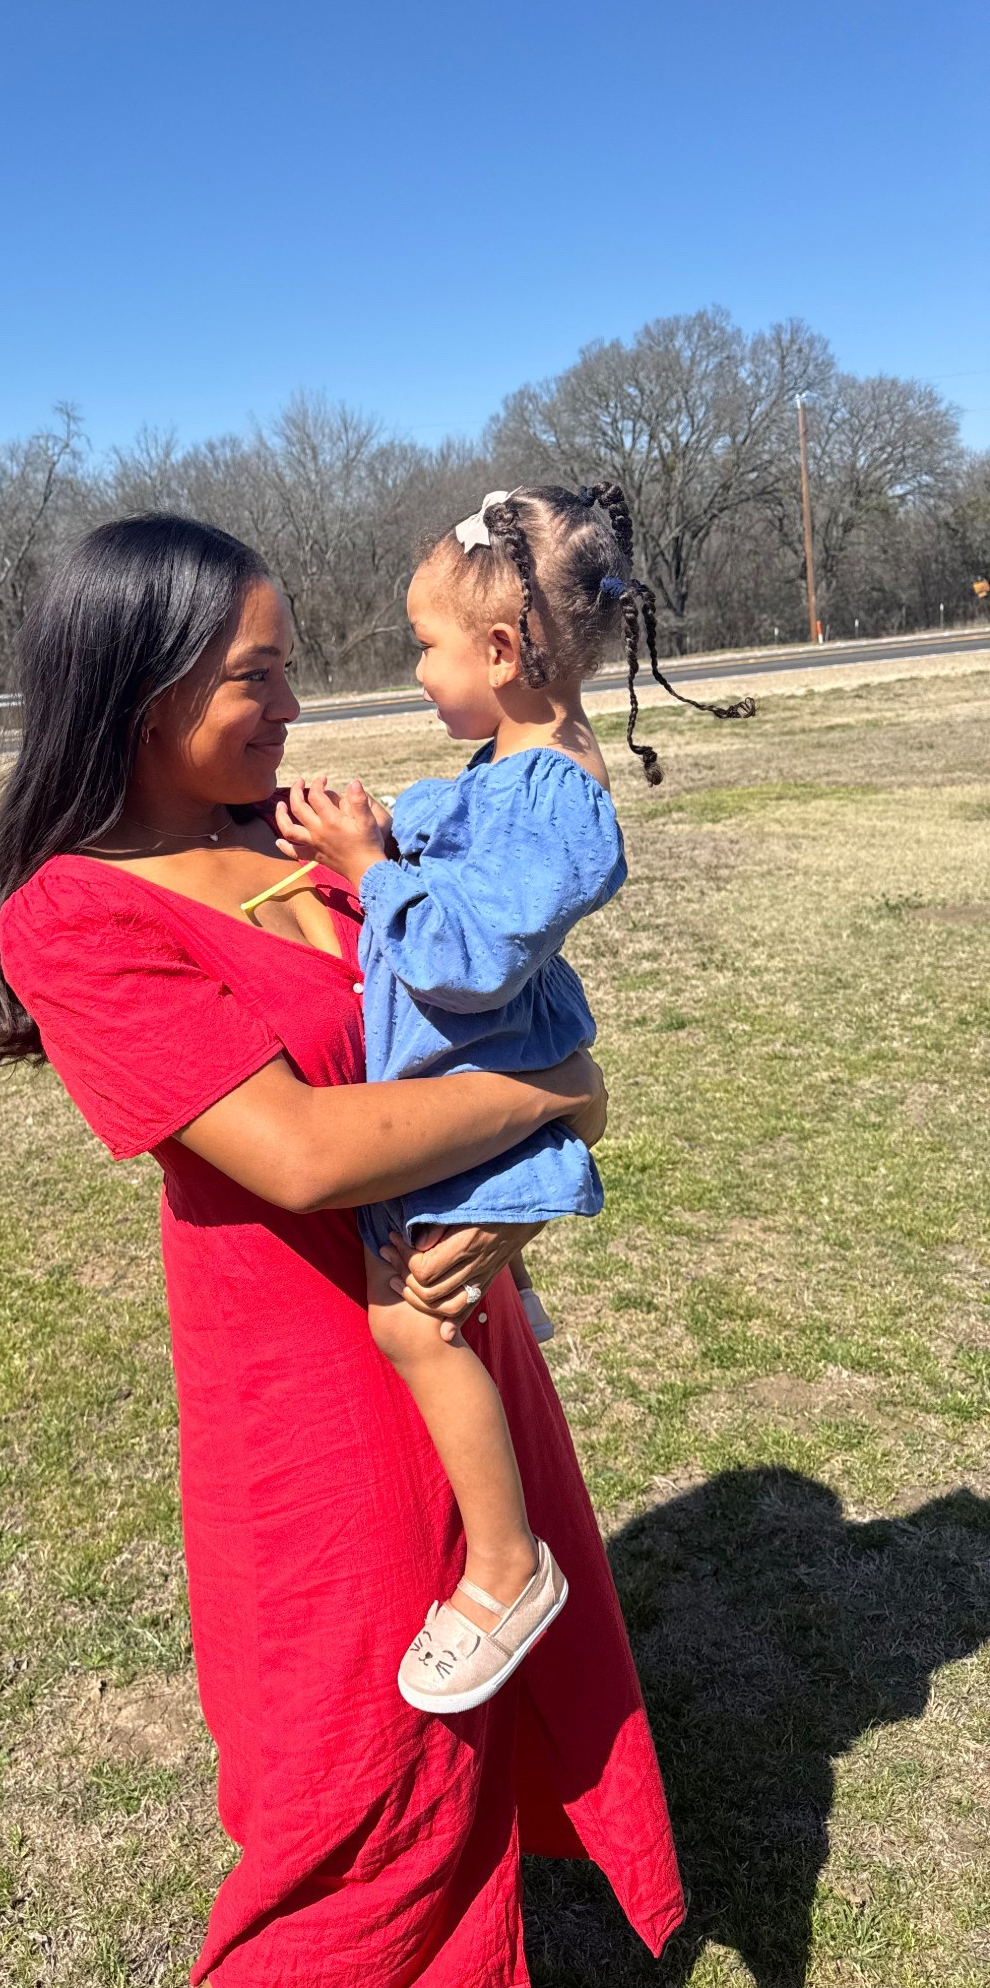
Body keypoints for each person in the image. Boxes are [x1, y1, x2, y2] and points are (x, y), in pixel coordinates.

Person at [0, 514, 684, 1985]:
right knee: (347, 1788)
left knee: (491, 1719)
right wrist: (563, 1100)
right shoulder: (74, 918)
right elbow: (296, 1152)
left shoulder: (296, 837)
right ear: (139, 693)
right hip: (308, 1397)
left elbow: (488, 983)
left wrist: (548, 1117)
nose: (292, 708)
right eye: (256, 676)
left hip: (450, 1330)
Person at [272, 483, 754, 1719]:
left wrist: (370, 868)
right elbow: (438, 832)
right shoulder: (505, 764)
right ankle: (508, 1296)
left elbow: (470, 955)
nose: (416, 670)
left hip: (478, 1105)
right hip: (456, 1096)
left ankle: (505, 1566)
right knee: (423, 1319)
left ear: (498, 651)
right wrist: (364, 827)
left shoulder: (564, 798)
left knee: (410, 1330)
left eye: (425, 646)